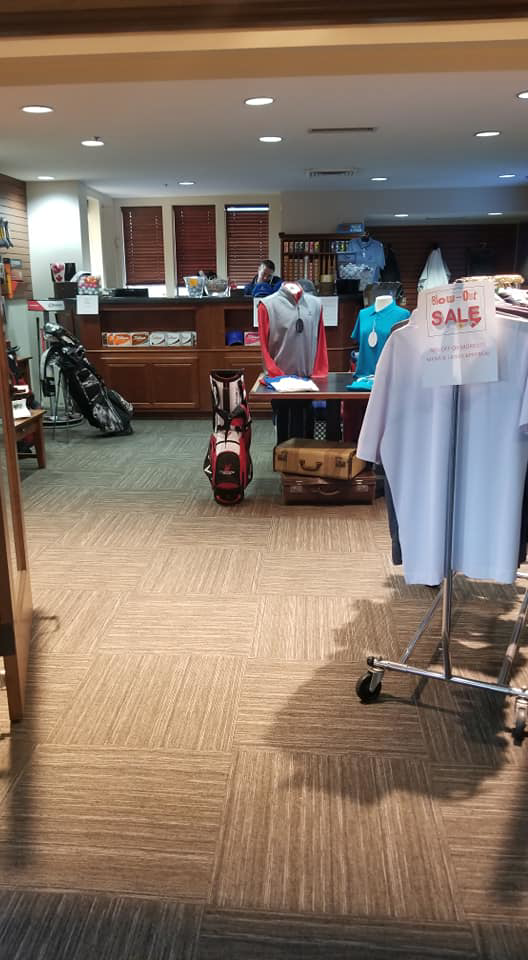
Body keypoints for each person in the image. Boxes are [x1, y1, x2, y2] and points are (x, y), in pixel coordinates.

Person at [258, 278, 328, 443]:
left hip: (307, 380)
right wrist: (277, 377)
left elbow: (321, 342)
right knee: (284, 429)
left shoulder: (316, 304)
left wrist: (318, 373)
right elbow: (264, 347)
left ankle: (306, 456)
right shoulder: (267, 305)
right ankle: (283, 455)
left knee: (306, 429)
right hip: (280, 383)